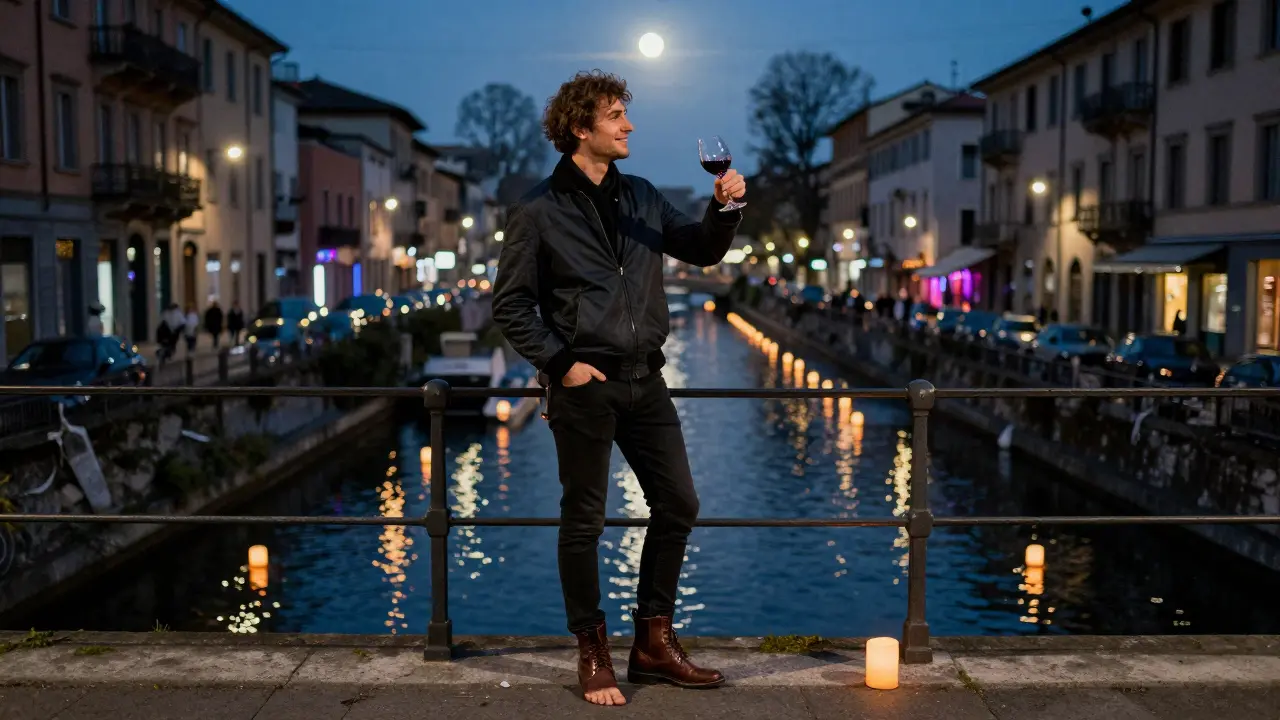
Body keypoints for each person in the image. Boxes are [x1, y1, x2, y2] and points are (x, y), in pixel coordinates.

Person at [492, 70, 745, 707]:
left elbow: (702, 251)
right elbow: (512, 304)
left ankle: (654, 644)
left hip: (647, 382)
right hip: (585, 386)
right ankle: (593, 650)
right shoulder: (537, 211)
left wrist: (724, 209)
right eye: (614, 116)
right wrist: (560, 364)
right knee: (584, 521)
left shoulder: (642, 197)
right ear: (582, 129)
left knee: (679, 503)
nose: (628, 125)